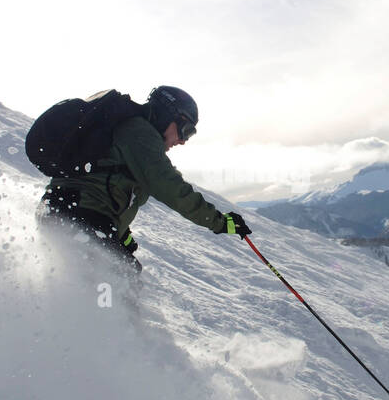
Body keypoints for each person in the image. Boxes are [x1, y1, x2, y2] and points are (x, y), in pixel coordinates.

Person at [41, 86, 250, 272]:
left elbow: (108, 182)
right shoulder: (140, 132)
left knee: (106, 280)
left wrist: (121, 234)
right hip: (81, 215)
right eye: (186, 131)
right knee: (120, 281)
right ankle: (98, 316)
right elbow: (167, 185)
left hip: (68, 211)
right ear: (167, 116)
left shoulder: (132, 132)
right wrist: (221, 222)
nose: (183, 141)